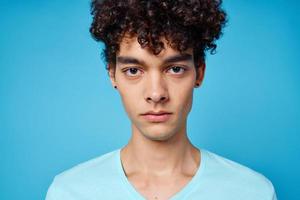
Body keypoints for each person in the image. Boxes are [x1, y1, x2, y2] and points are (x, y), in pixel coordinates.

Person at [46, 0, 277, 199]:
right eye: (134, 71)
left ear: (200, 72)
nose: (156, 94)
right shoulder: (70, 192)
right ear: (112, 75)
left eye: (175, 69)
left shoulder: (252, 192)